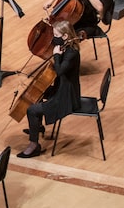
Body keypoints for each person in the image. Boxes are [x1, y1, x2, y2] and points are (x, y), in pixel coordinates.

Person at [18, 20, 81, 158]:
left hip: (66, 96)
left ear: (65, 36)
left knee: (31, 110)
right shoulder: (65, 46)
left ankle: (34, 145)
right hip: (61, 87)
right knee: (38, 94)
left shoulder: (72, 53)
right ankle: (37, 127)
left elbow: (59, 71)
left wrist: (56, 55)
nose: (54, 38)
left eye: (56, 34)